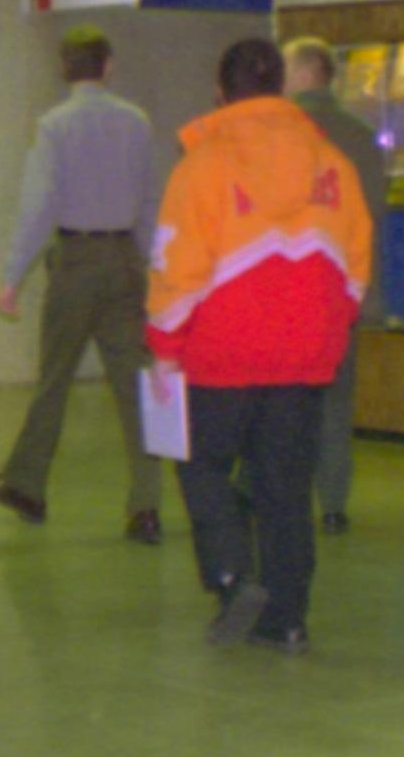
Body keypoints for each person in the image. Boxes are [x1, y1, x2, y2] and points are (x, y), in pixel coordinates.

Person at [146, 38, 374, 654]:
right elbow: (357, 262)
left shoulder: (201, 167)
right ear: (282, 88)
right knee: (286, 487)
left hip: (222, 353)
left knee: (201, 463)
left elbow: (176, 267)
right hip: (303, 357)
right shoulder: (333, 165)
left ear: (220, 93)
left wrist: (165, 343)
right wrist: (331, 321)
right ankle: (289, 618)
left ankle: (230, 574)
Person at [0, 27, 168, 544]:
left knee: (55, 379)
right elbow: (148, 204)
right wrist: (157, 271)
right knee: (135, 386)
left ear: (64, 69)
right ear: (108, 67)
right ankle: (146, 506)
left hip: (75, 262)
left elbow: (37, 205)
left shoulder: (53, 127)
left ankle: (26, 485)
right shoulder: (137, 123)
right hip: (125, 262)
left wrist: (12, 277)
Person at [283, 38, 390, 535]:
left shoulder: (281, 133)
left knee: (281, 398)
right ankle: (333, 502)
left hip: (289, 289)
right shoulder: (362, 137)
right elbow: (374, 220)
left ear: (305, 74)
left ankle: (280, 492)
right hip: (344, 290)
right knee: (336, 401)